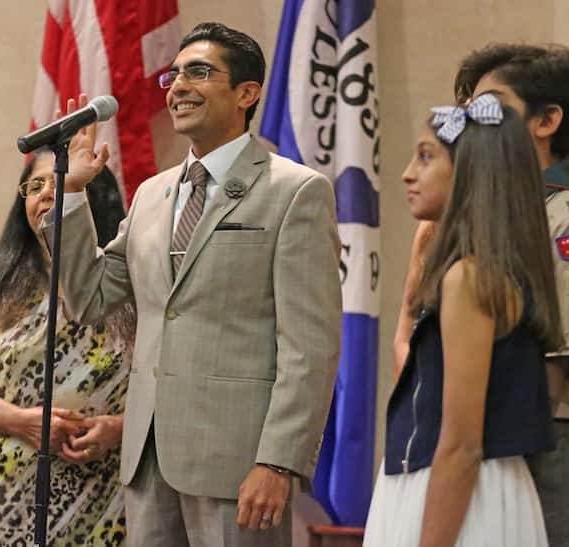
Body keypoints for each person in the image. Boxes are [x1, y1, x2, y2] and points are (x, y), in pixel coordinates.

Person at [43, 22, 341, 547]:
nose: (178, 86)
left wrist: (278, 461)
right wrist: (70, 197)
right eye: (174, 75)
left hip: (239, 463)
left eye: (198, 73)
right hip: (149, 456)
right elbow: (91, 298)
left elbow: (309, 346)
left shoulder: (295, 191)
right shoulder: (151, 195)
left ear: (247, 93)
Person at [392, 43, 569, 546]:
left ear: (547, 122)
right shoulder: (467, 224)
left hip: (551, 440)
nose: (475, 125)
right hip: (465, 444)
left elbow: (552, 370)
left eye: (491, 110)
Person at [365, 94, 562, 546]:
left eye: (426, 156)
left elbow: (462, 444)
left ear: (470, 170)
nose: (407, 173)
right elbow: (417, 381)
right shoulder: (480, 269)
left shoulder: (470, 278)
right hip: (444, 484)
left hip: (462, 502)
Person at [0, 152, 133, 546]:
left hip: (103, 500)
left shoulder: (130, 286)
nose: (45, 195)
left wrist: (118, 430)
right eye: (35, 186)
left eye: (60, 184)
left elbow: (166, 388)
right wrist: (23, 422)